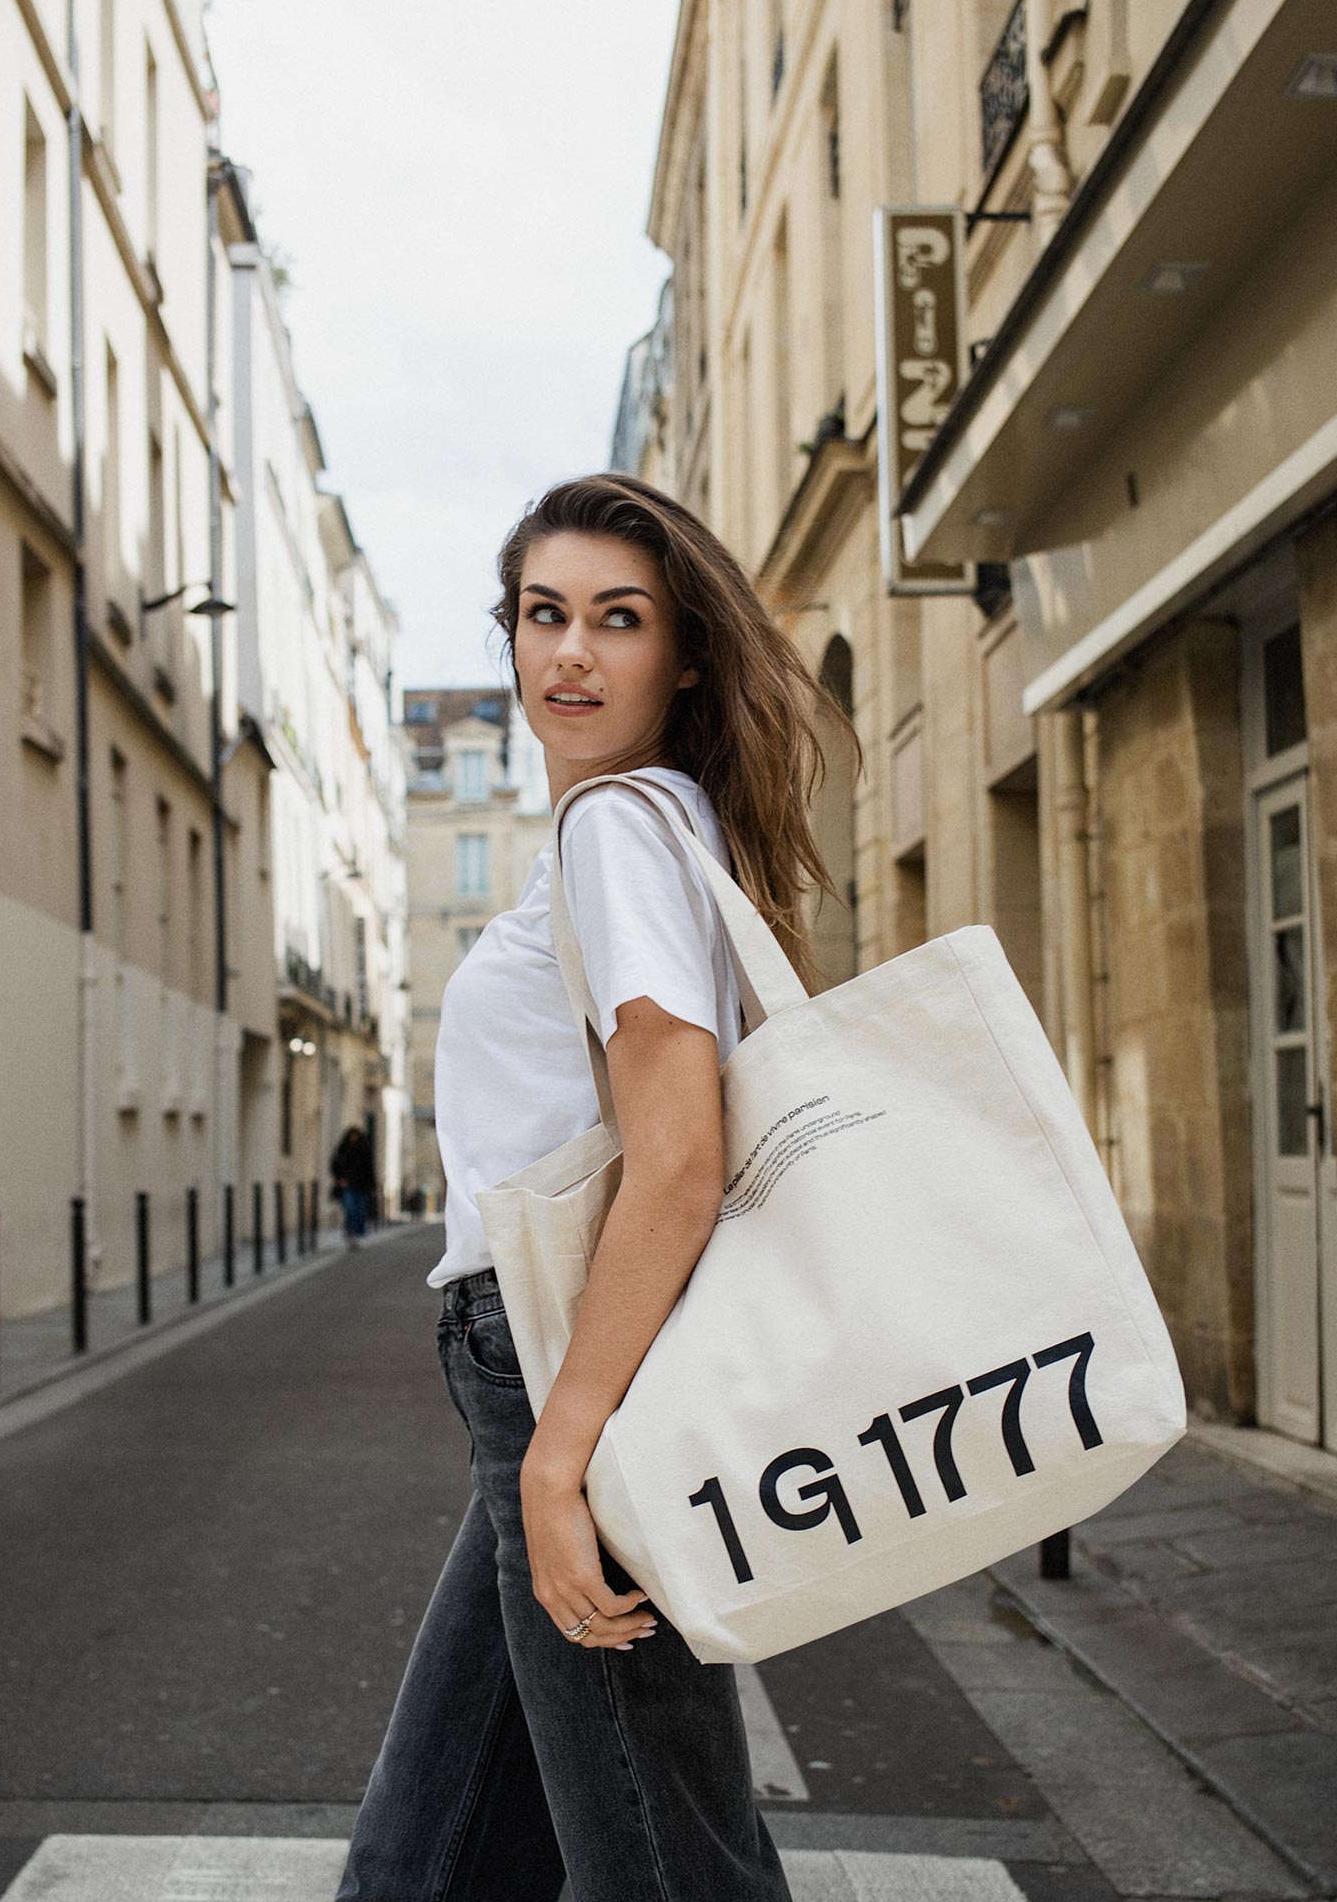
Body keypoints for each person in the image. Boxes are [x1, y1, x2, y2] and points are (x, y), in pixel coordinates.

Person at [339, 475, 847, 1901]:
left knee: (659, 1860)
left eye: (615, 621)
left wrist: (563, 1452)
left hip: (569, 1367)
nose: (568, 653)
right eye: (541, 615)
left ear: (681, 653)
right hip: (547, 1371)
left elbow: (677, 1150)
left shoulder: (618, 827)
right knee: (425, 1854)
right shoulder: (658, 823)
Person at [331, 1124, 377, 1247]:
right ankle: (351, 1233)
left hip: (362, 1186)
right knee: (351, 1210)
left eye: (355, 1136)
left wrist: (372, 1186)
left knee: (360, 1211)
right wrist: (340, 1179)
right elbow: (335, 1165)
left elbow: (369, 1169)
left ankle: (357, 1234)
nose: (353, 1138)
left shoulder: (364, 1150)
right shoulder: (342, 1150)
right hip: (348, 1186)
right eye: (351, 1136)